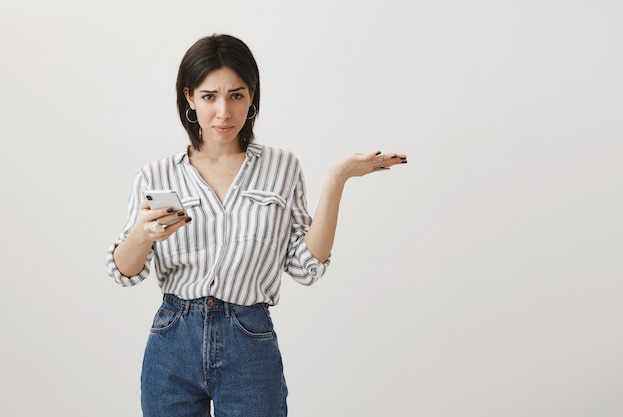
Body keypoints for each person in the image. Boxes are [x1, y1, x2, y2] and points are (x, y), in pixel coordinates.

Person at [105, 33, 407, 417]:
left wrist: (336, 179)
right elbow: (125, 272)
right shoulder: (157, 175)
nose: (223, 112)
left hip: (248, 337)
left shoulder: (281, 167)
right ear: (189, 98)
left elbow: (306, 265)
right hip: (172, 339)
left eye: (236, 95)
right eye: (209, 96)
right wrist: (143, 235)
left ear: (252, 96)